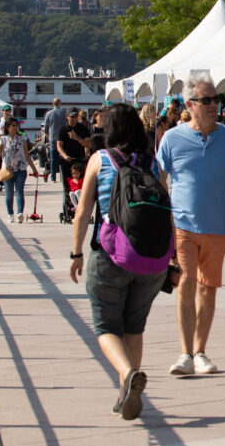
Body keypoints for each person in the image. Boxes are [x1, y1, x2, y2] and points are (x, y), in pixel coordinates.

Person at [68, 104, 172, 422]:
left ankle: (128, 374)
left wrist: (76, 253)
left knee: (105, 327)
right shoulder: (152, 163)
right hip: (151, 259)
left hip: (110, 253)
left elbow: (83, 212)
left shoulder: (100, 159)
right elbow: (166, 206)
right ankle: (125, 392)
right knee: (134, 326)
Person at [155, 72, 225, 377]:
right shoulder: (172, 138)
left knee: (208, 290)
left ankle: (201, 351)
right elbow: (160, 180)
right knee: (186, 284)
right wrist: (163, 221)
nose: (212, 106)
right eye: (205, 100)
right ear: (189, 104)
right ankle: (184, 353)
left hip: (217, 226)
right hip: (182, 225)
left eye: (215, 100)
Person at [0, 118, 39, 223]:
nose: (15, 127)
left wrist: (34, 168)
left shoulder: (22, 138)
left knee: (19, 191)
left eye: (16, 125)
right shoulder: (2, 139)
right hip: (7, 169)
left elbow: (27, 154)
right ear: (7, 127)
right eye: (12, 125)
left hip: (21, 169)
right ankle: (10, 214)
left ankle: (20, 213)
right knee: (9, 193)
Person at [56, 109, 88, 222]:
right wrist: (65, 156)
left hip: (79, 160)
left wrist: (77, 138)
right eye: (72, 117)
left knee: (81, 187)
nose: (74, 119)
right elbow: (59, 145)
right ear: (67, 117)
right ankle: (68, 210)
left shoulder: (83, 129)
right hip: (66, 161)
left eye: (76, 116)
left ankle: (82, 210)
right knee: (67, 187)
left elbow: (88, 143)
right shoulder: (63, 129)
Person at [42, 98, 67, 181]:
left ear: (53, 104)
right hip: (63, 138)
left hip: (52, 138)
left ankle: (53, 177)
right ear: (60, 103)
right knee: (63, 157)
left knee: (53, 158)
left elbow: (46, 127)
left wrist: (47, 135)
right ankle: (63, 176)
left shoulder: (49, 113)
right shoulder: (64, 113)